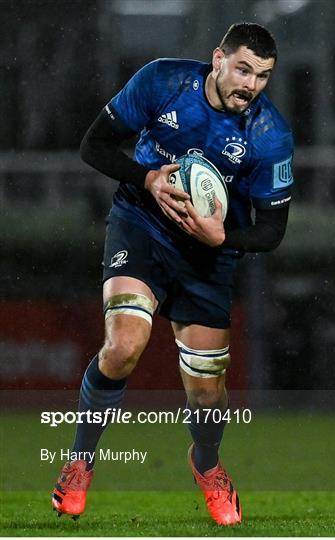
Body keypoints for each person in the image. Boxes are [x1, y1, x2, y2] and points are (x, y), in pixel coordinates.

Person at [52, 22, 294, 526]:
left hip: (208, 257)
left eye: (263, 76)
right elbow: (93, 146)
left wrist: (222, 240)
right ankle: (80, 459)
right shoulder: (163, 83)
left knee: (207, 391)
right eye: (243, 69)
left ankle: (206, 463)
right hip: (141, 224)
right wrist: (147, 178)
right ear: (218, 59)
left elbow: (272, 230)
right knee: (123, 345)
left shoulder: (269, 136)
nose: (250, 85)